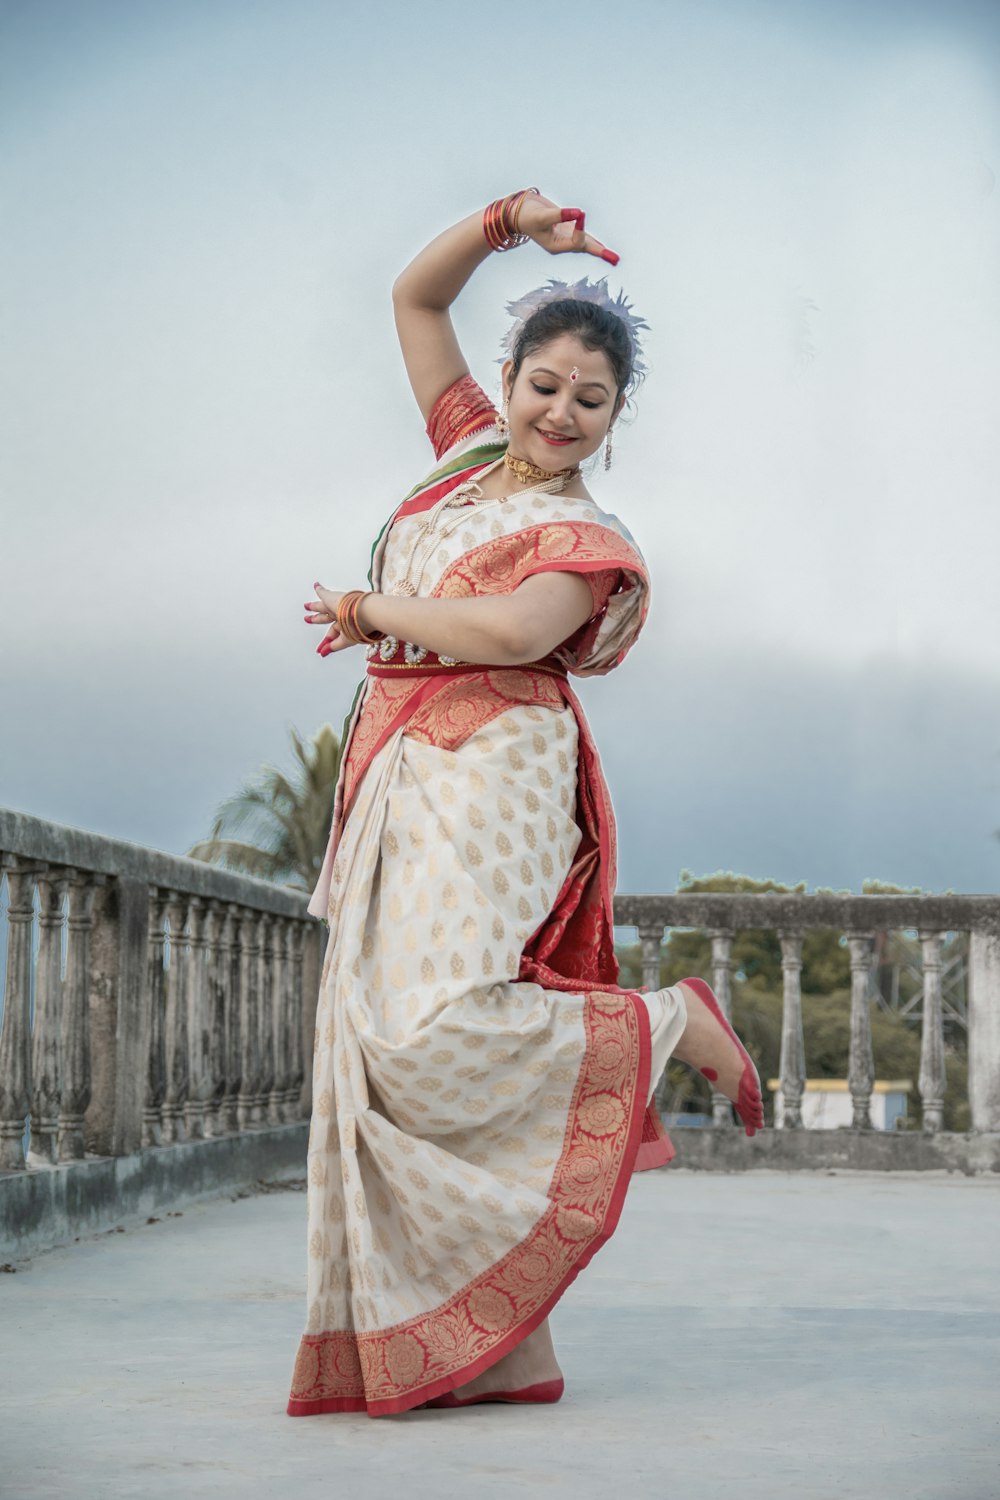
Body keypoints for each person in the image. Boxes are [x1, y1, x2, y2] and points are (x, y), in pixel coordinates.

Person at [289, 188, 764, 1419]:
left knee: (432, 1032)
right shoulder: (456, 463)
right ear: (506, 380)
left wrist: (369, 612)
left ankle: (666, 1023)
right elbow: (413, 295)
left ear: (616, 419)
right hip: (394, 770)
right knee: (373, 1053)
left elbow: (509, 628)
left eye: (589, 399)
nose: (559, 412)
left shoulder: (586, 534)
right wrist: (506, 219)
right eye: (542, 383)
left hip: (496, 773)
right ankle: (504, 1350)